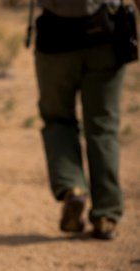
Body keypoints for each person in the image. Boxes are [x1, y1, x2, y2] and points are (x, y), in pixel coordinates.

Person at [33, 0, 139, 240]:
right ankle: (106, 216)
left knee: (58, 120)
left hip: (55, 38)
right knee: (103, 126)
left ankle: (72, 188)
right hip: (105, 35)